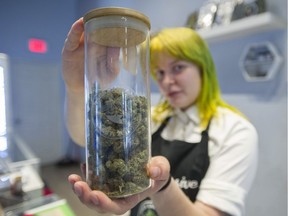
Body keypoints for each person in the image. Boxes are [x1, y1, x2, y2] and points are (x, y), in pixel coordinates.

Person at [62, 17, 258, 216]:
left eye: (178, 68)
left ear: (203, 68)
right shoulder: (153, 117)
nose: (167, 81)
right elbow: (82, 136)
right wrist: (76, 87)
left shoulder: (234, 130)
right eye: (160, 72)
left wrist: (162, 186)